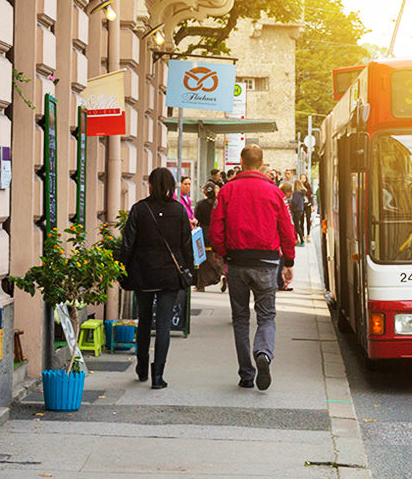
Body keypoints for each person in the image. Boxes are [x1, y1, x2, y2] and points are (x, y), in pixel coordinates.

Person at [210, 145, 297, 390]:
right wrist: (288, 262)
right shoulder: (275, 193)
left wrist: (224, 254)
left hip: (237, 262)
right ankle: (264, 353)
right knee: (266, 316)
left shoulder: (226, 191)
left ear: (241, 160)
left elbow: (216, 229)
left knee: (240, 319)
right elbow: (287, 230)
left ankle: (246, 374)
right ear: (261, 163)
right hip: (267, 263)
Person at [120, 167, 193, 390]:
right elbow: (186, 246)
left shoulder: (139, 209)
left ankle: (142, 367)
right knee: (163, 325)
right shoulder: (179, 211)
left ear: (150, 185)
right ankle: (158, 375)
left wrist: (123, 270)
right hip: (170, 275)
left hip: (143, 274)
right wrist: (189, 272)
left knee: (144, 321)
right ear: (172, 185)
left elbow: (128, 244)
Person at [289, 180, 307, 246]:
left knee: (297, 226)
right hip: (300, 209)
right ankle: (301, 240)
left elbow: (294, 202)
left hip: (296, 210)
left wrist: (290, 203)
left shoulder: (296, 192)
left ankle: (302, 241)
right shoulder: (302, 192)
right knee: (298, 225)